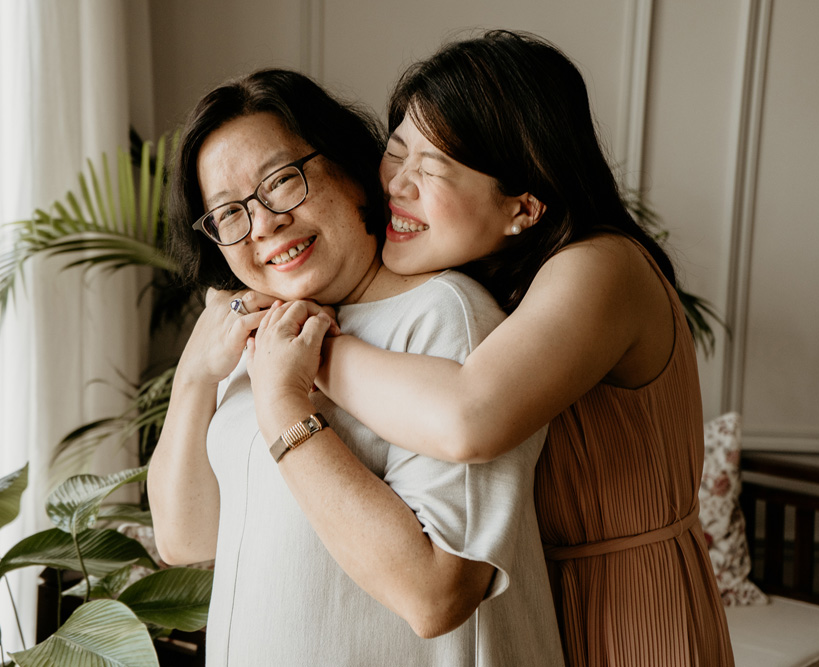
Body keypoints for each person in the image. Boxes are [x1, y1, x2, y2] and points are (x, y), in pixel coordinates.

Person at [267, 30, 732, 666]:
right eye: (395, 152)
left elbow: (469, 418)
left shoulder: (601, 266)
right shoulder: (484, 281)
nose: (397, 185)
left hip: (634, 607)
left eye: (430, 170)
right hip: (540, 609)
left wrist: (296, 352)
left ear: (523, 207)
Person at [147, 68, 564, 666]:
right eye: (229, 214)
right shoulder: (260, 331)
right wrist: (194, 376)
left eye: (282, 182)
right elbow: (185, 537)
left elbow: (436, 595)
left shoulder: (444, 317)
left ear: (351, 170)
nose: (263, 223)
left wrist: (284, 407)